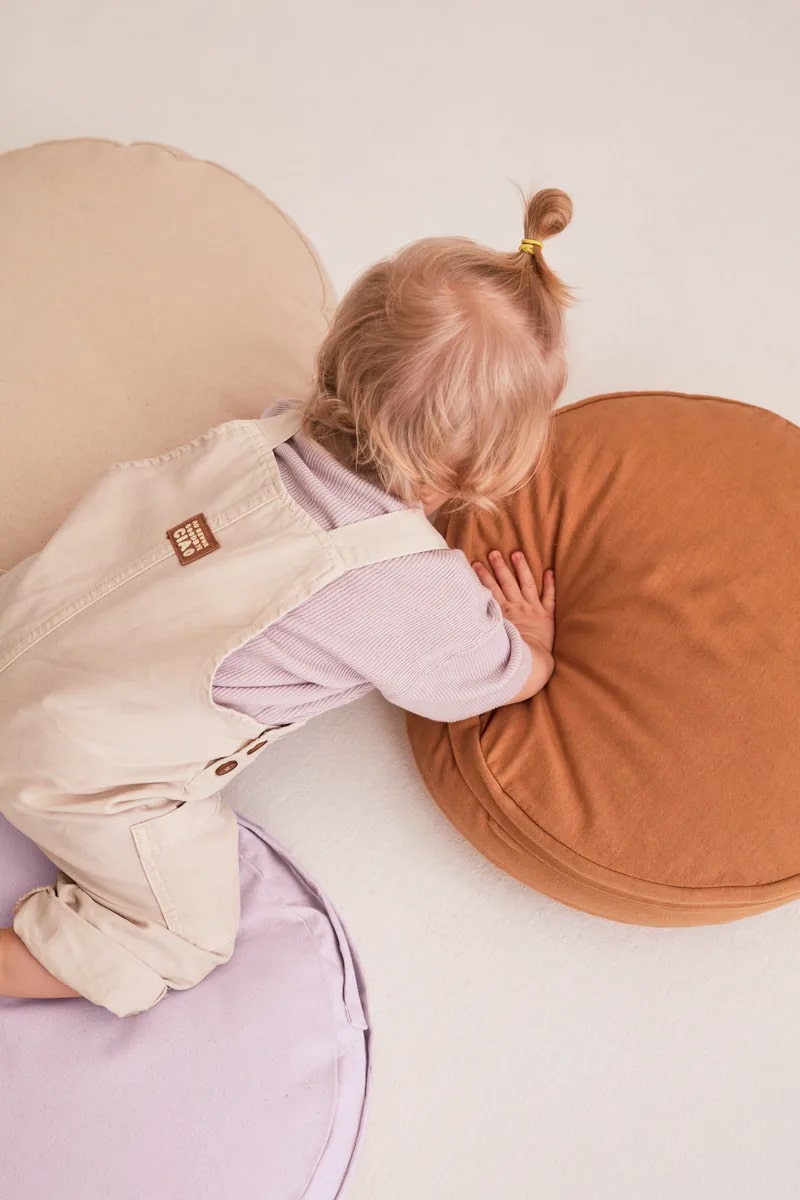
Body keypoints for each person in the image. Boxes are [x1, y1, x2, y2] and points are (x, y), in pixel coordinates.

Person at [0, 188, 572, 1015]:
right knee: (182, 938)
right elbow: (480, 682)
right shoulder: (402, 586)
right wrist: (533, 644)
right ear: (477, 471)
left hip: (20, 626)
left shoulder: (267, 434)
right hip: (82, 765)